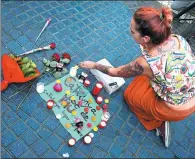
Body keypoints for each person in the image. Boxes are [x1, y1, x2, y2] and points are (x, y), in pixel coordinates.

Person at [79, 6, 195, 147]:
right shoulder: (175, 37)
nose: (130, 32)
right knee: (144, 78)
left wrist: (94, 65)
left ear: (146, 38)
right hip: (187, 88)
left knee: (130, 96)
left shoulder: (145, 63)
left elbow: (114, 72)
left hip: (175, 107)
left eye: (132, 31)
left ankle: (159, 122)